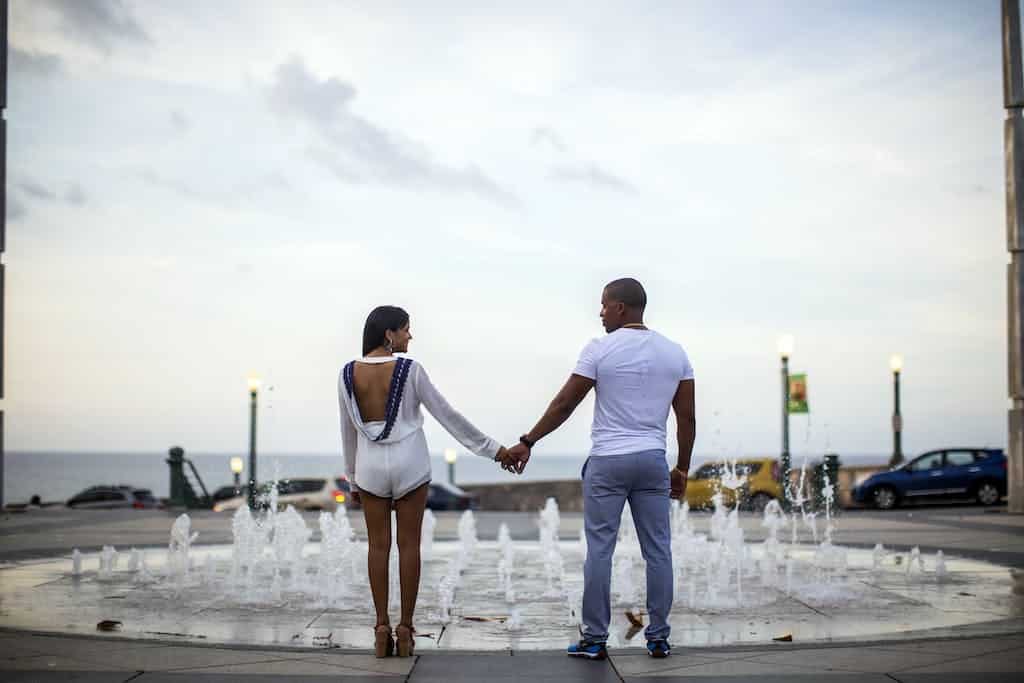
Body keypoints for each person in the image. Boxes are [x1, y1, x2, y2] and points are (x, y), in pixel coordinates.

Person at [507, 278, 695, 660]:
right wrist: (682, 469)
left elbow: (565, 403)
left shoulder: (599, 349)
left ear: (621, 308)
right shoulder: (676, 353)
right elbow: (687, 419)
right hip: (652, 460)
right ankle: (658, 636)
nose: (600, 312)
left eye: (604, 305)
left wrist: (528, 441)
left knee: (600, 552)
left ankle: (594, 639)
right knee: (659, 550)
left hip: (608, 461)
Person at [339, 305, 511, 658]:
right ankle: (405, 628)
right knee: (410, 546)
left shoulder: (346, 373)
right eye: (405, 329)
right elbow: (447, 415)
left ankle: (380, 627)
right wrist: (494, 450)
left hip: (369, 466)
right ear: (389, 334)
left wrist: (353, 481)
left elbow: (348, 433)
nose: (409, 336)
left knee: (377, 547)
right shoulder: (410, 370)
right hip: (410, 463)